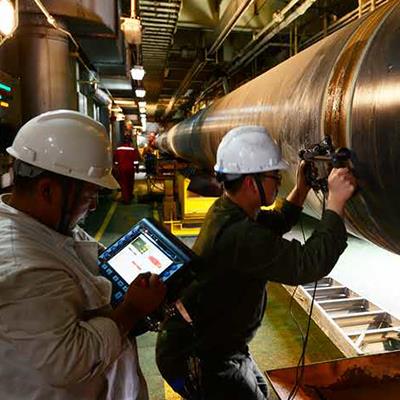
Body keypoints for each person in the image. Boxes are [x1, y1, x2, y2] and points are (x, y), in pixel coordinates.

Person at [156, 125, 356, 399]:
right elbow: (308, 263)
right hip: (199, 355)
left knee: (258, 391)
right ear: (252, 183)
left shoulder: (228, 209)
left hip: (215, 341)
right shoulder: (239, 235)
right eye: (275, 176)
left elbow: (275, 222)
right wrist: (335, 203)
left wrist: (301, 188)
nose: (278, 181)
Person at [0, 110, 166, 399]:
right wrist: (132, 310)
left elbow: (89, 257)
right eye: (88, 196)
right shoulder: (22, 265)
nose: (93, 207)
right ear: (47, 190)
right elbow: (67, 361)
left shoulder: (48, 226)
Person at [113, 135, 140, 204]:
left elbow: (115, 161)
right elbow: (136, 161)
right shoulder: (133, 149)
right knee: (130, 182)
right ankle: (130, 196)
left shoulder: (118, 150)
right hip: (130, 169)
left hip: (121, 169)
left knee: (123, 183)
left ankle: (125, 198)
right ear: (130, 142)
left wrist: (116, 168)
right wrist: (137, 169)